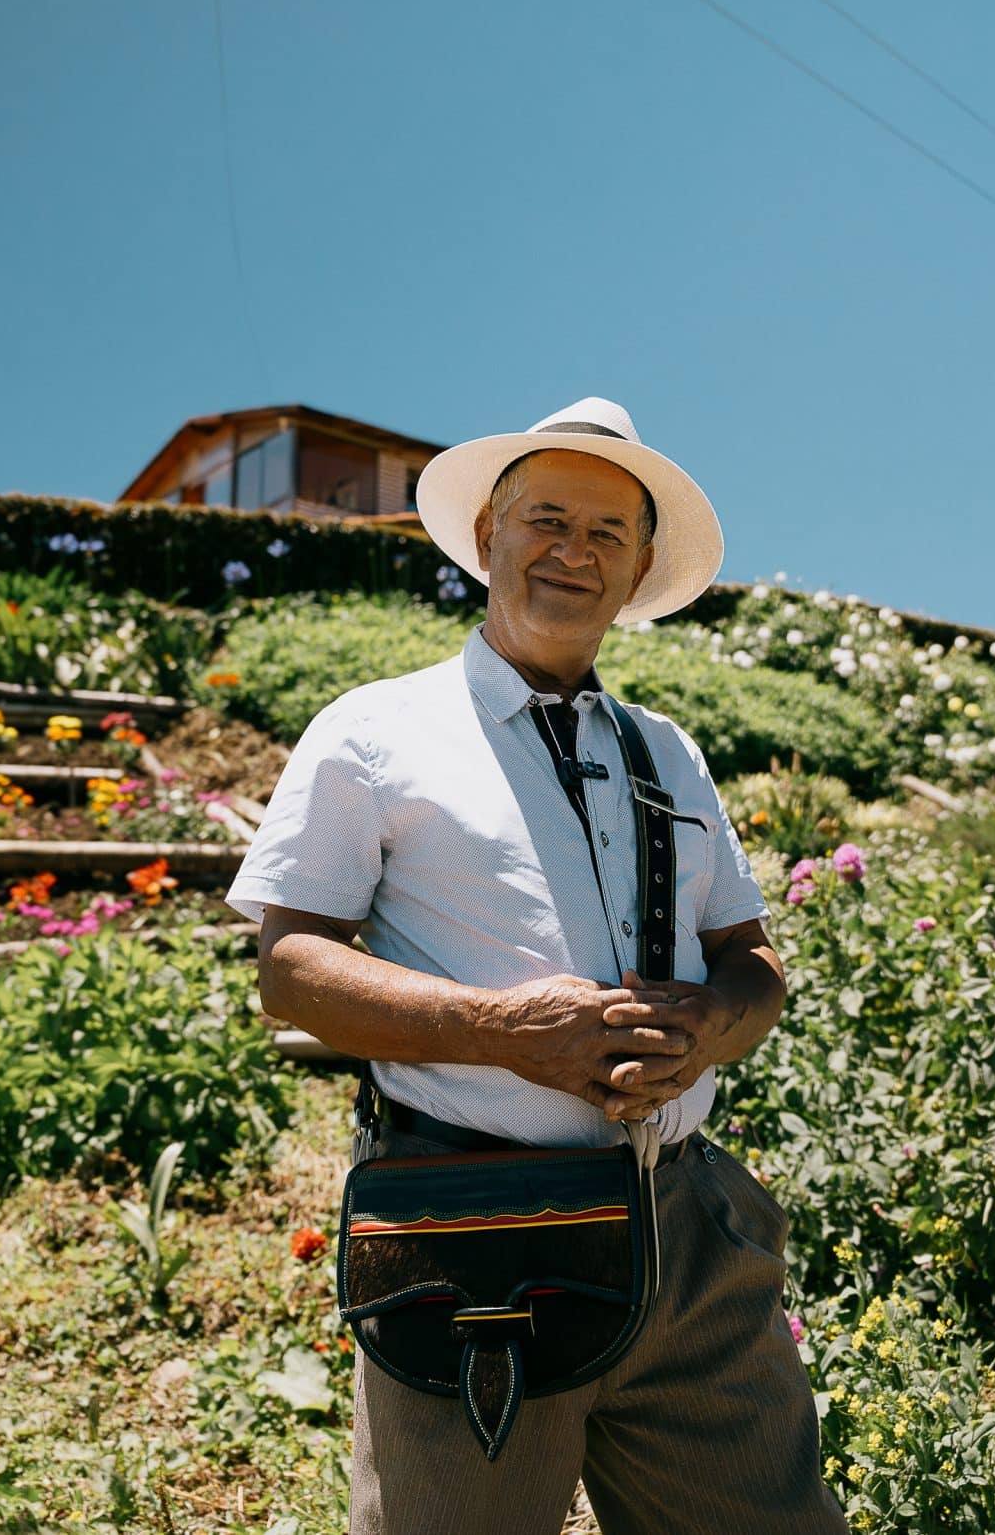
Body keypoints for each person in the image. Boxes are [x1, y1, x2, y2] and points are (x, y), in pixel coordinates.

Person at [226, 398, 846, 1534]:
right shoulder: (375, 729)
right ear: (490, 536)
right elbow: (292, 967)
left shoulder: (668, 748)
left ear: (641, 565)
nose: (575, 550)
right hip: (475, 1242)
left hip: (689, 1223)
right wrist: (505, 1028)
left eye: (608, 531)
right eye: (547, 517)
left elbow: (750, 957)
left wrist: (709, 1024)